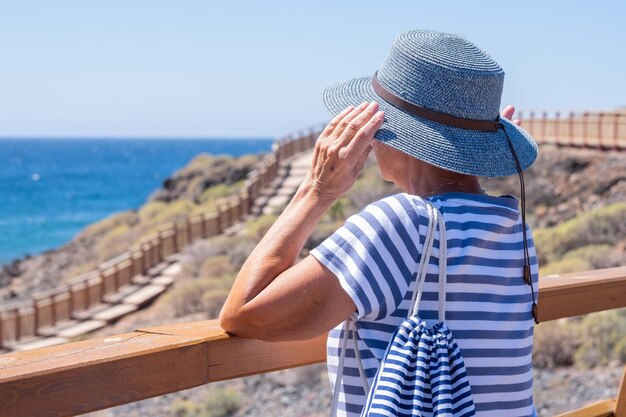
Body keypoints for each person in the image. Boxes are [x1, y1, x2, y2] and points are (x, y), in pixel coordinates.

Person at [220, 29, 539, 417]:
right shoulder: (513, 229)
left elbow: (244, 315)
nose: (368, 142)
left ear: (394, 133)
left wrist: (315, 189)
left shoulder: (401, 224)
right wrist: (471, 145)